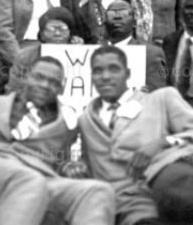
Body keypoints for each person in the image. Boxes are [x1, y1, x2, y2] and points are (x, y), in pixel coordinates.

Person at [0, 56, 116, 225]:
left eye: (53, 82)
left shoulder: (67, 126)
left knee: (98, 191)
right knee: (28, 181)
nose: (45, 85)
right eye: (39, 78)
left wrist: (68, 167)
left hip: (39, 181)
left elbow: (60, 161)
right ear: (27, 78)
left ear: (61, 89)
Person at [80, 45, 193, 225]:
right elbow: (87, 163)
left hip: (168, 178)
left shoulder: (161, 99)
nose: (106, 76)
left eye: (114, 69)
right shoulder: (86, 119)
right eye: (98, 71)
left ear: (128, 74)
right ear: (92, 77)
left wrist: (163, 142)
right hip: (128, 201)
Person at [6, 7, 83, 93]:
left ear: (70, 33)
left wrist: (79, 50)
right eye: (51, 29)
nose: (57, 33)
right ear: (42, 34)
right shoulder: (25, 57)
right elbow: (14, 89)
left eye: (62, 29)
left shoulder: (81, 56)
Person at [103, 0, 167, 92]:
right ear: (105, 21)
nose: (118, 17)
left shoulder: (150, 54)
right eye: (112, 14)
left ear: (134, 23)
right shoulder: (91, 52)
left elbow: (158, 95)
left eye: (124, 14)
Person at [163, 0, 193, 106]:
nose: (192, 12)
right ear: (181, 11)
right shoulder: (170, 40)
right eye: (189, 8)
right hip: (174, 107)